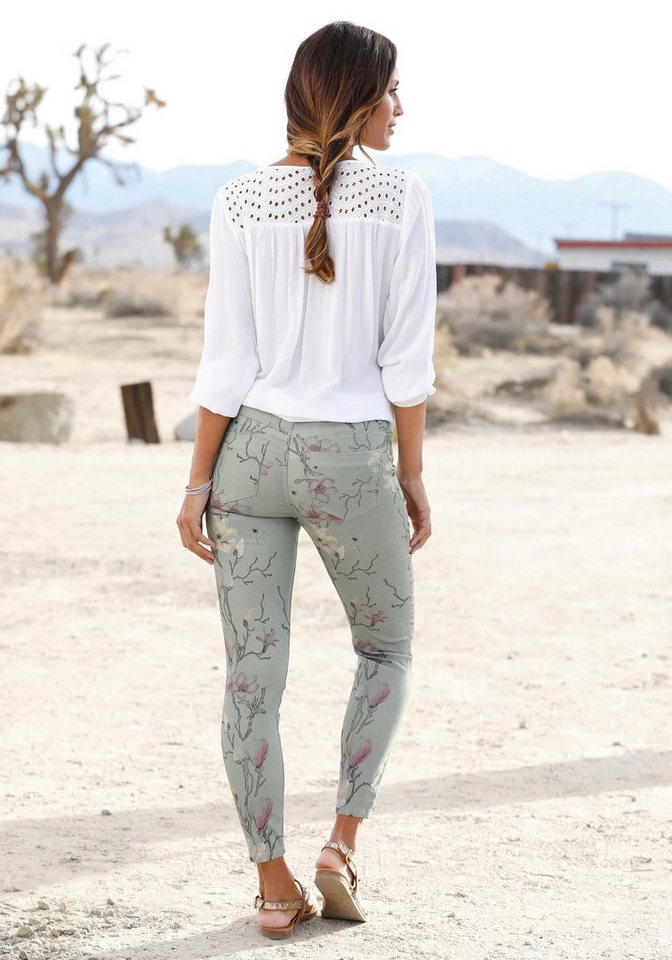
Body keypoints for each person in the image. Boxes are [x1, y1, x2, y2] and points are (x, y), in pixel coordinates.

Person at [176, 20, 436, 941]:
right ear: (359, 97)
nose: (402, 106)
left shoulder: (238, 200)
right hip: (352, 457)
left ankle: (272, 885)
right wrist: (412, 473)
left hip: (249, 456)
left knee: (252, 678)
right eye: (393, 89)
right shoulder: (403, 199)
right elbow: (407, 363)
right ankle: (340, 844)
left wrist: (196, 483)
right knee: (387, 651)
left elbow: (225, 363)